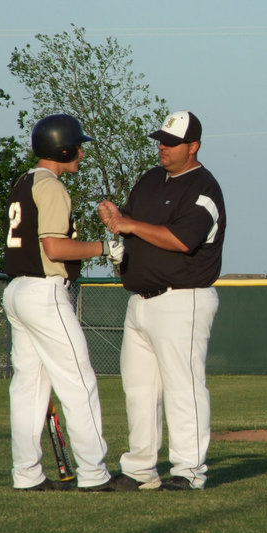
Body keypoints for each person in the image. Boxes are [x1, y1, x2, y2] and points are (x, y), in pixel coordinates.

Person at [97, 110, 226, 491]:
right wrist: (117, 218)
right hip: (140, 301)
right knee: (139, 391)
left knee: (183, 387)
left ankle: (188, 471)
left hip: (182, 300)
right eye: (161, 141)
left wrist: (128, 224)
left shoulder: (203, 188)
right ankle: (140, 470)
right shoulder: (151, 179)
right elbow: (130, 225)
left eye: (171, 143)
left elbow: (182, 240)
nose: (163, 148)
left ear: (194, 146)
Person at [3, 113, 123, 491]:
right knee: (78, 381)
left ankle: (26, 475)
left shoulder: (25, 181)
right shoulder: (52, 186)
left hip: (17, 292)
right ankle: (93, 474)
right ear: (63, 147)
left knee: (28, 386)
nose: (81, 154)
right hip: (44, 293)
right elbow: (55, 247)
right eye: (78, 146)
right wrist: (106, 247)